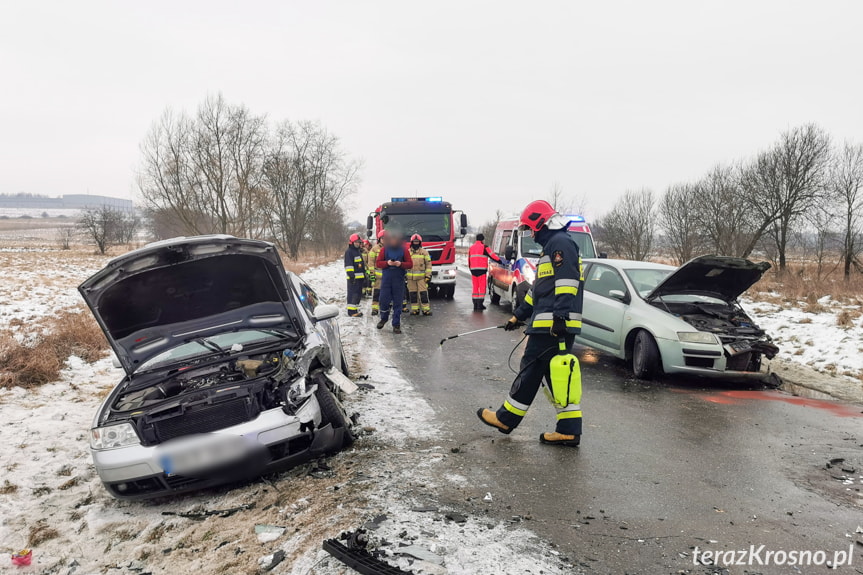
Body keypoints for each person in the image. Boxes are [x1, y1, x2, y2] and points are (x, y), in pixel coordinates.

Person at [477, 200, 585, 446]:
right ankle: (569, 429)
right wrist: (519, 315)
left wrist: (559, 318)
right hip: (551, 324)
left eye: (531, 227)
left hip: (552, 327)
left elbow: (567, 284)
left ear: (540, 222)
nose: (532, 234)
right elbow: (538, 292)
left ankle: (506, 419)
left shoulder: (560, 244)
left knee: (529, 370)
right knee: (557, 376)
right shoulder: (552, 248)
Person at [375, 230, 413, 334]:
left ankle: (396, 324)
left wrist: (400, 264)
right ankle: (384, 318)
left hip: (398, 279)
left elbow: (410, 264)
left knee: (398, 303)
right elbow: (378, 263)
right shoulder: (384, 250)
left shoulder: (404, 250)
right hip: (387, 280)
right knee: (384, 300)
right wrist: (387, 263)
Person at [468, 233, 503, 311]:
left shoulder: (471, 248)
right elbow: (492, 255)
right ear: (482, 240)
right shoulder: (484, 247)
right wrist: (500, 261)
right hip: (481, 270)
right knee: (482, 287)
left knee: (475, 287)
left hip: (473, 270)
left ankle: (475, 304)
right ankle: (480, 304)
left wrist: (470, 268)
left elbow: (469, 259)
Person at [406, 234, 433, 316]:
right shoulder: (407, 252)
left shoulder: (424, 252)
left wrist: (428, 276)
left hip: (421, 278)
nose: (416, 243)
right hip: (410, 278)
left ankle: (426, 310)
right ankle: (415, 310)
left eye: (417, 241)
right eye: (414, 241)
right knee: (412, 294)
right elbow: (404, 264)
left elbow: (428, 265)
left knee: (423, 294)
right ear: (411, 242)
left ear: (420, 242)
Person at [343, 233, 366, 317]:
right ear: (352, 242)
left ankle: (355, 309)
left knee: (358, 294)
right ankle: (351, 312)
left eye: (358, 242)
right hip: (353, 278)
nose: (358, 243)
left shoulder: (357, 251)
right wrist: (351, 276)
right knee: (353, 294)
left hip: (359, 278)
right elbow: (349, 266)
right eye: (356, 242)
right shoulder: (349, 252)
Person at [368, 231, 384, 315]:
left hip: (388, 276)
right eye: (383, 238)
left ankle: (384, 307)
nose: (384, 240)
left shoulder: (391, 248)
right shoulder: (374, 249)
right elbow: (370, 262)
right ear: (379, 239)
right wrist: (372, 274)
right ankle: (375, 308)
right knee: (377, 292)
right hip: (377, 276)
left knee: (386, 293)